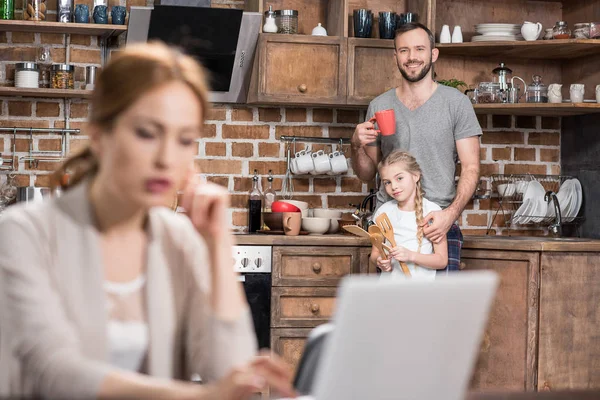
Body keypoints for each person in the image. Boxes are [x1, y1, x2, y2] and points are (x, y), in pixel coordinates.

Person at [0, 42, 296, 400]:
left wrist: (218, 243)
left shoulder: (178, 239)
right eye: (146, 133)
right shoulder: (23, 233)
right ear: (99, 135)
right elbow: (54, 372)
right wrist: (204, 397)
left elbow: (229, 372)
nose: (166, 158)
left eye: (185, 140)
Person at [351, 22, 482, 273]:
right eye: (404, 50)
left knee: (440, 311)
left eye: (419, 49)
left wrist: (450, 216)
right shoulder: (379, 105)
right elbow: (368, 173)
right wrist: (356, 144)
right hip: (391, 225)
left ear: (433, 54)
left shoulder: (456, 104)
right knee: (394, 310)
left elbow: (471, 167)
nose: (412, 57)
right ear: (395, 56)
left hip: (437, 223)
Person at [370, 150, 448, 279]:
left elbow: (441, 260)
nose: (394, 186)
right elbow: (375, 253)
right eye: (387, 182)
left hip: (420, 290)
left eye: (399, 178)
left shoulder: (432, 212)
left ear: (415, 176)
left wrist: (411, 256)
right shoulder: (383, 212)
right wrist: (380, 261)